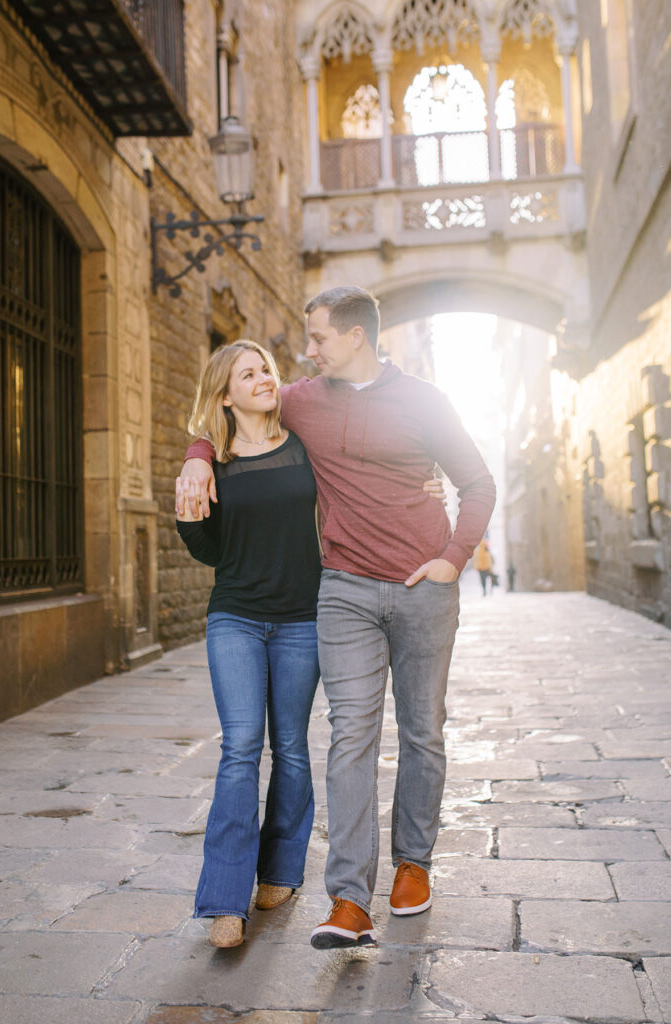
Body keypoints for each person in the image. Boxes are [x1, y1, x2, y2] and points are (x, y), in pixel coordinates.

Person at [180, 287, 496, 949]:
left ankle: (413, 864)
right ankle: (348, 900)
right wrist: (196, 460)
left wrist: (452, 557)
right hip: (343, 590)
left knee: (421, 730)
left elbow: (477, 482)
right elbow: (222, 418)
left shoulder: (423, 402)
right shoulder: (301, 398)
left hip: (420, 589)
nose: (305, 352)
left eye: (318, 337)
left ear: (355, 336)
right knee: (347, 732)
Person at [175, 340, 321, 948]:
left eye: (266, 369)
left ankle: (282, 870)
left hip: (302, 620)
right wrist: (191, 494)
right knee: (240, 747)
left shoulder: (304, 444)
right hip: (235, 617)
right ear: (225, 394)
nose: (264, 378)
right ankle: (225, 903)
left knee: (290, 747)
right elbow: (208, 550)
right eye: (248, 373)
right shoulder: (212, 463)